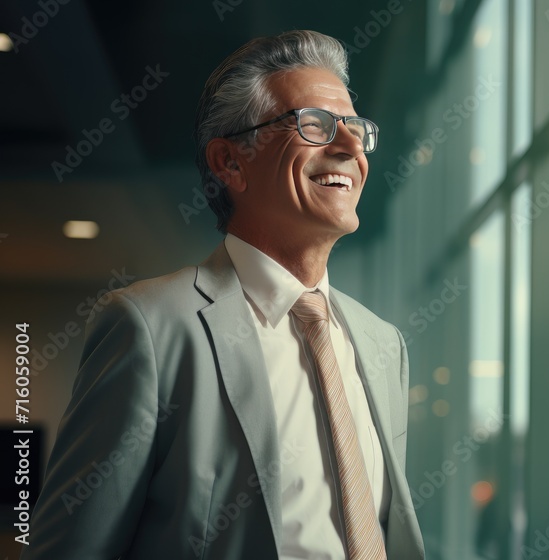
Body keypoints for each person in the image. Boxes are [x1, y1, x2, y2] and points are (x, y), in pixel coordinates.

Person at [21, 30, 424, 560]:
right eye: (316, 125)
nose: (350, 148)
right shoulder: (150, 327)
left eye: (355, 128)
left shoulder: (382, 343)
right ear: (230, 163)